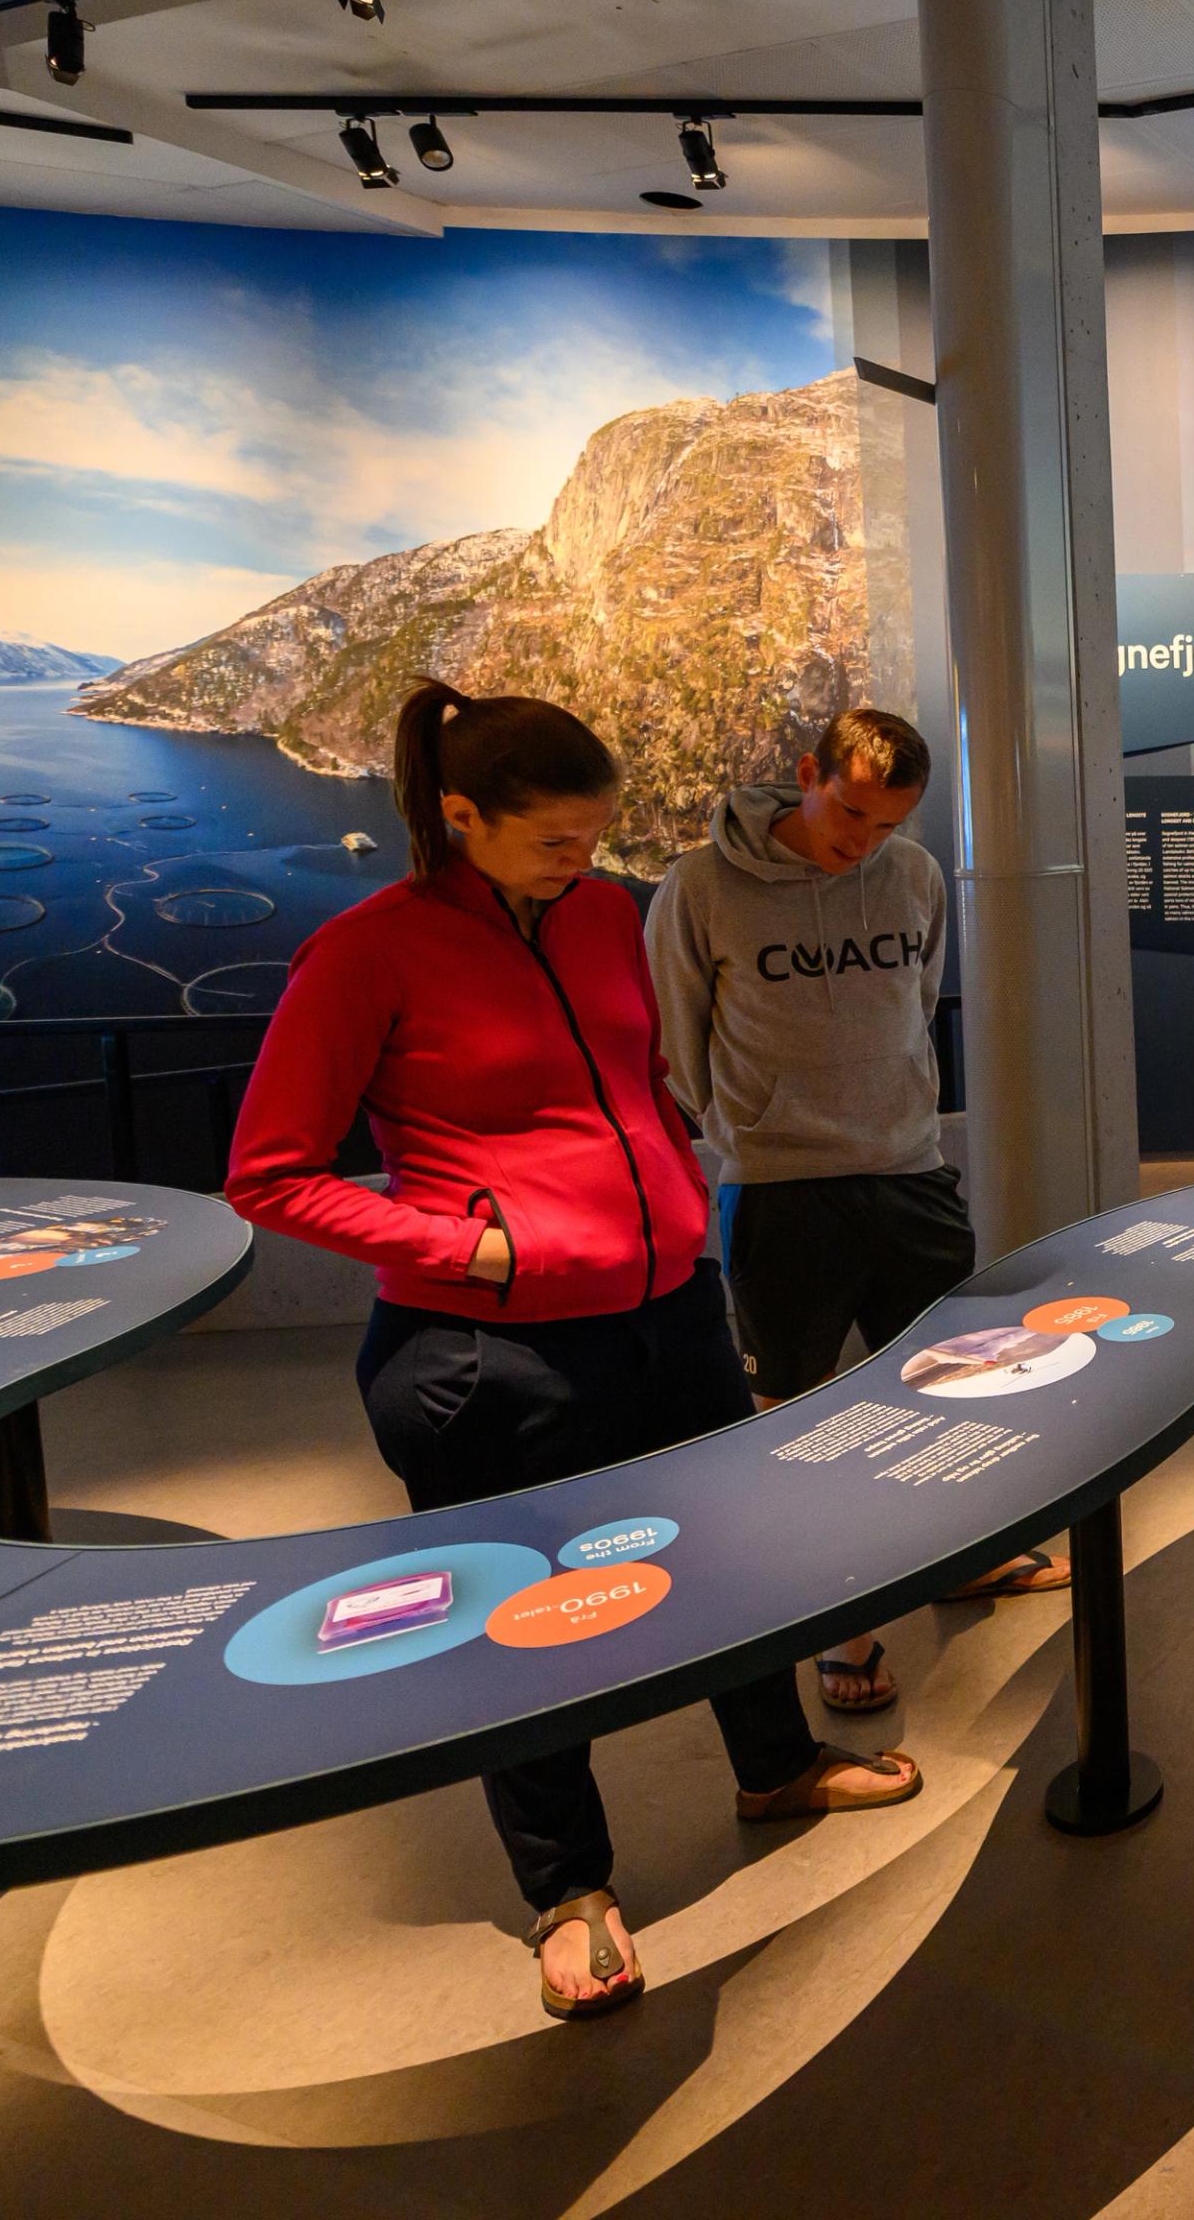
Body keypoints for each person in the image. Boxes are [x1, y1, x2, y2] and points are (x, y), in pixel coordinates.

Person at [228, 679, 918, 2021]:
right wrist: (470, 1249)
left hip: (668, 1307)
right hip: (492, 1356)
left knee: (731, 1557)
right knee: (523, 1620)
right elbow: (270, 1174)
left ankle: (772, 1764)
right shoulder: (366, 953)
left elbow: (640, 1071)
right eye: (554, 840)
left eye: (595, 838)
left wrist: (673, 1176)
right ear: (460, 816)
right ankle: (571, 1888)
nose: (583, 864)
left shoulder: (606, 913)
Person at [647, 706, 1064, 1721]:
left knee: (954, 1387)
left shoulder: (913, 876)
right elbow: (677, 1037)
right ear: (807, 774)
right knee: (796, 1424)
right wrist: (756, 1129)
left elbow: (915, 1002)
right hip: (781, 1190)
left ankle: (959, 1558)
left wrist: (890, 1118)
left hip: (908, 1171)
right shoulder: (700, 887)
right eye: (849, 814)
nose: (861, 842)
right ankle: (846, 1627)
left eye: (887, 825)